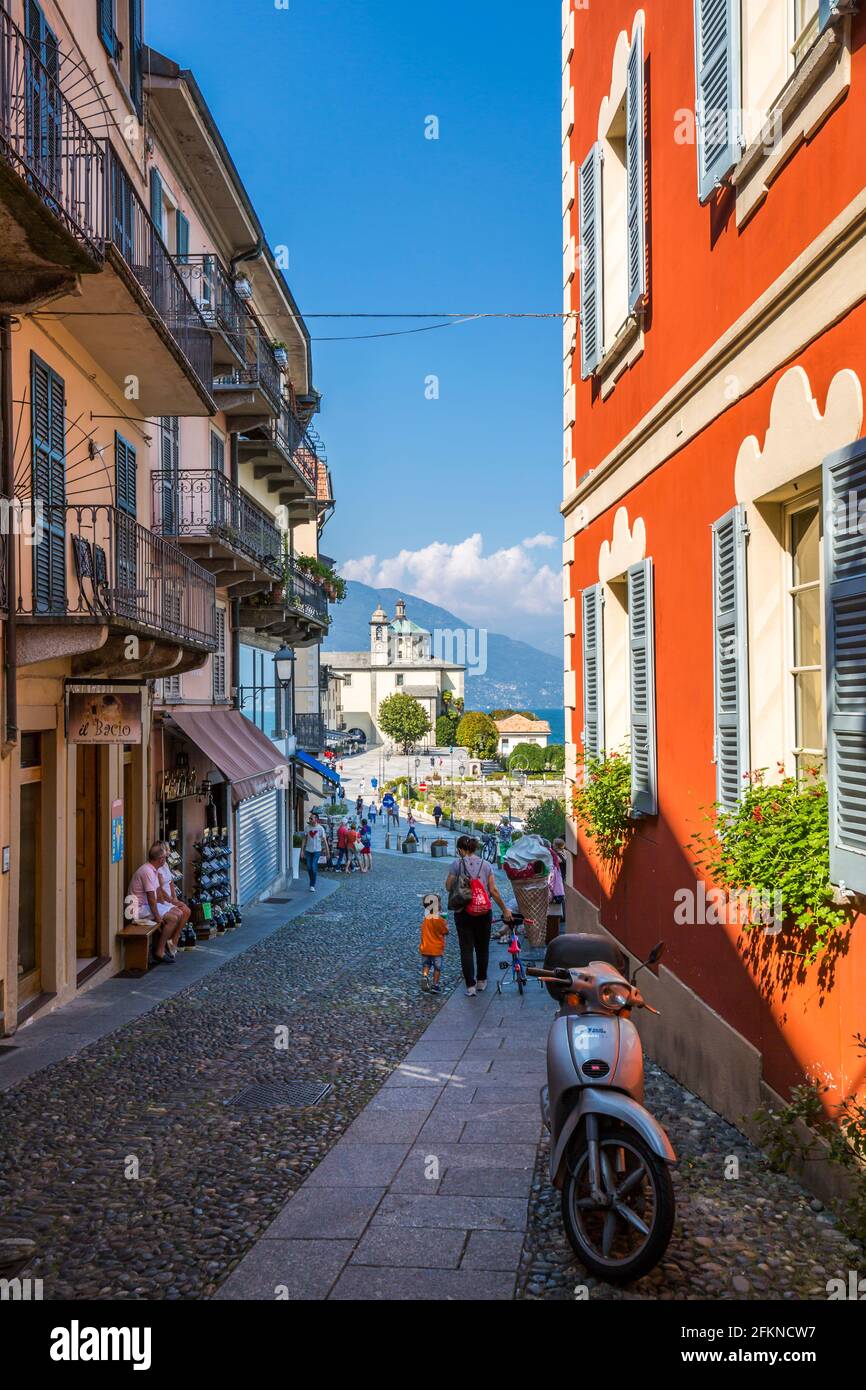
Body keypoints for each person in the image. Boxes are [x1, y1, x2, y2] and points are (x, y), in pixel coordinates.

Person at [446, 835, 513, 996]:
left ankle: (470, 986)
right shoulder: (486, 865)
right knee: (483, 948)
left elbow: (448, 886)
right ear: (475, 848)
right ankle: (482, 980)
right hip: (483, 912)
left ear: (461, 849)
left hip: (463, 911)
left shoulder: (457, 864)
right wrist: (505, 909)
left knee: (466, 949)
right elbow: (493, 891)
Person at [128, 843, 183, 964]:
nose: (165, 859)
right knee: (173, 918)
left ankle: (165, 945)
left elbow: (158, 893)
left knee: (179, 912)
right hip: (138, 908)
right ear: (160, 859)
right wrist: (158, 917)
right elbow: (151, 898)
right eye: (164, 857)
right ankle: (160, 951)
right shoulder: (147, 871)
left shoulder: (153, 869)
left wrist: (169, 904)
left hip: (146, 905)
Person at [158, 840, 191, 956]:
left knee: (186, 911)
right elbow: (160, 890)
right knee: (183, 911)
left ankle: (174, 939)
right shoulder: (157, 868)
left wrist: (175, 898)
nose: (169, 852)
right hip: (163, 900)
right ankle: (172, 941)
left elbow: (171, 882)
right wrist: (172, 901)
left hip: (170, 899)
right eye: (167, 850)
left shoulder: (166, 864)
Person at [419, 892, 448, 993]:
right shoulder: (440, 920)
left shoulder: (425, 919)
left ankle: (425, 976)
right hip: (436, 949)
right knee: (437, 968)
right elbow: (445, 931)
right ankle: (435, 985)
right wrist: (446, 924)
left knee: (426, 965)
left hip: (425, 948)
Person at [303, 814, 328, 891]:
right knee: (309, 867)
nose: (310, 820)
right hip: (308, 850)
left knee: (313, 867)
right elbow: (304, 839)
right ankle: (312, 882)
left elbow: (324, 840)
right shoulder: (307, 828)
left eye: (311, 818)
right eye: (309, 818)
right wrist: (302, 851)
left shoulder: (320, 828)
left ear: (316, 819)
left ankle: (312, 885)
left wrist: (327, 851)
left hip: (317, 851)